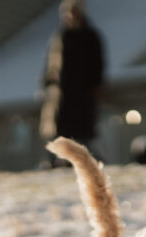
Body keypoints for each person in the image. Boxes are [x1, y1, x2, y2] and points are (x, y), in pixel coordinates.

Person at [40, 0, 105, 157]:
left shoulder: (90, 36)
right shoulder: (60, 37)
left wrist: (94, 87)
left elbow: (97, 64)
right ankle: (56, 160)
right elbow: (51, 65)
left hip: (83, 95)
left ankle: (88, 161)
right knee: (60, 133)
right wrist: (47, 83)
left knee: (83, 135)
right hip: (62, 95)